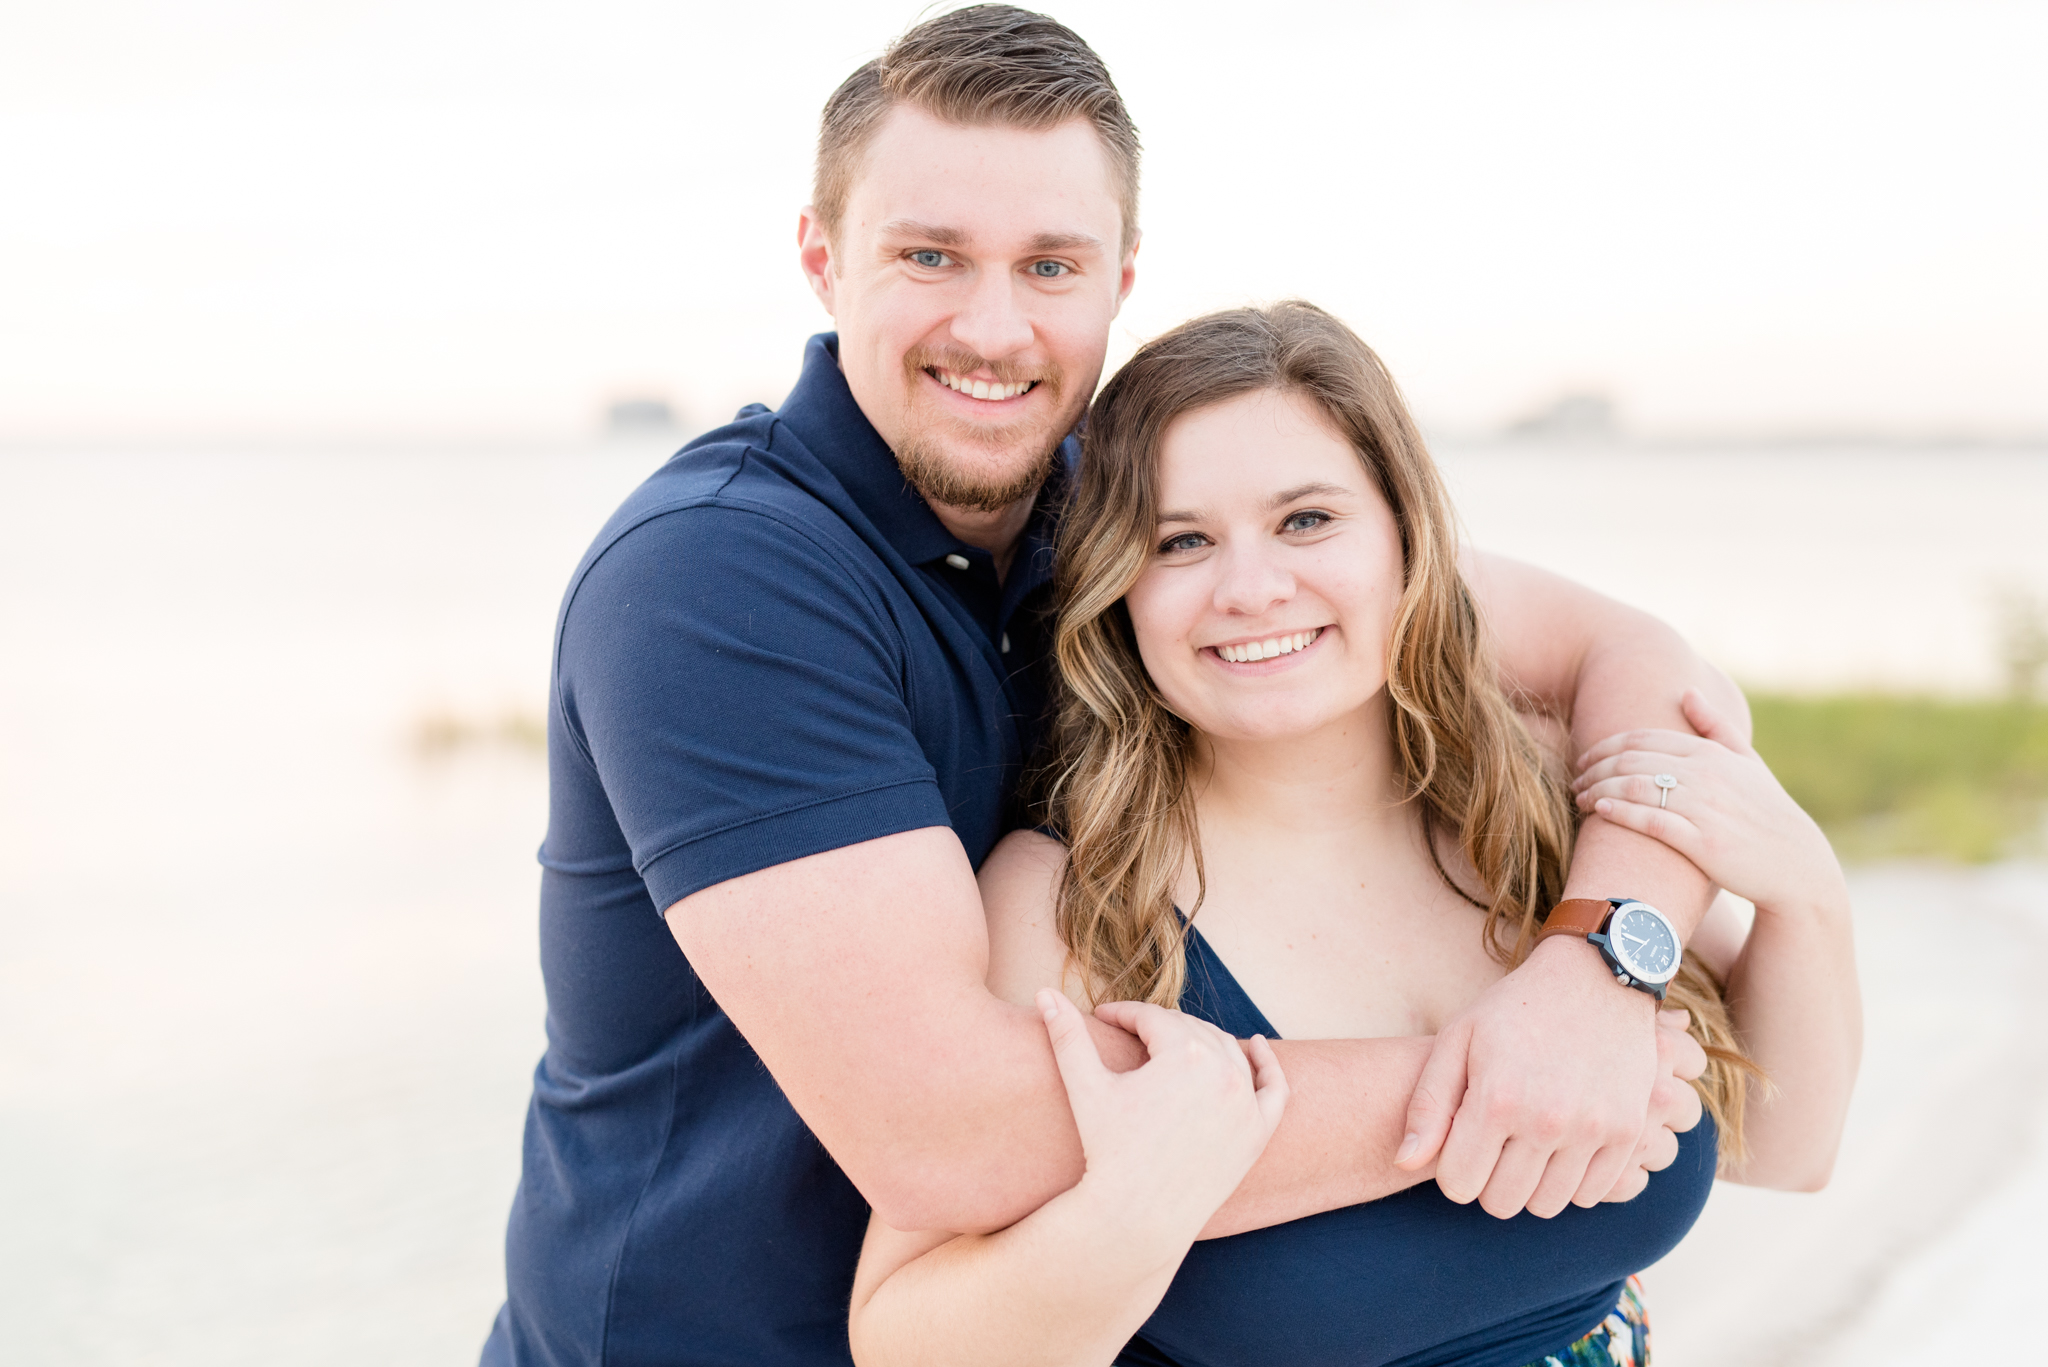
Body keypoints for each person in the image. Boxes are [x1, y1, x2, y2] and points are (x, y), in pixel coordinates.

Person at [482, 9, 1755, 1365]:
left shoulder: (1143, 510)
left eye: (1050, 264)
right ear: (821, 256)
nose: (994, 323)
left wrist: (1595, 968)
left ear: (1120, 276)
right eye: (929, 255)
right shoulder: (717, 578)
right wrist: (1513, 1077)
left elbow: (1639, 661)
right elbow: (949, 1131)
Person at [845, 303, 1863, 1367]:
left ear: (1407, 537)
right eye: (1179, 540)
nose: (1250, 589)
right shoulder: (1067, 901)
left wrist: (1806, 898)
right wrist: (1138, 1204)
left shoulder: (1535, 798)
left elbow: (1783, 1148)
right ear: (1117, 587)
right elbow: (905, 1338)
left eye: (1305, 520)